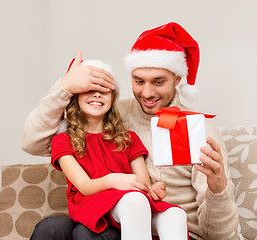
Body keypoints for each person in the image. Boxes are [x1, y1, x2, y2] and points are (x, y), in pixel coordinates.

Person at [22, 22, 239, 240]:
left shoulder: (199, 130)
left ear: (178, 78)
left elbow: (222, 233)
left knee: (89, 232)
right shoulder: (112, 114)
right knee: (50, 228)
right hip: (111, 215)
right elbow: (33, 143)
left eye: (158, 82)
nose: (147, 92)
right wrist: (64, 87)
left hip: (165, 224)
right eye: (139, 81)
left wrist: (218, 188)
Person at [50, 59, 188, 240]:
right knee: (135, 200)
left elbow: (142, 185)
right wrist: (113, 180)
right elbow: (84, 187)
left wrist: (152, 190)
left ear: (112, 97)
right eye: (90, 90)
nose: (97, 95)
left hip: (131, 203)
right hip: (93, 203)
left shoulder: (128, 138)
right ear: (75, 97)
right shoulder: (63, 140)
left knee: (176, 215)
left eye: (104, 90)